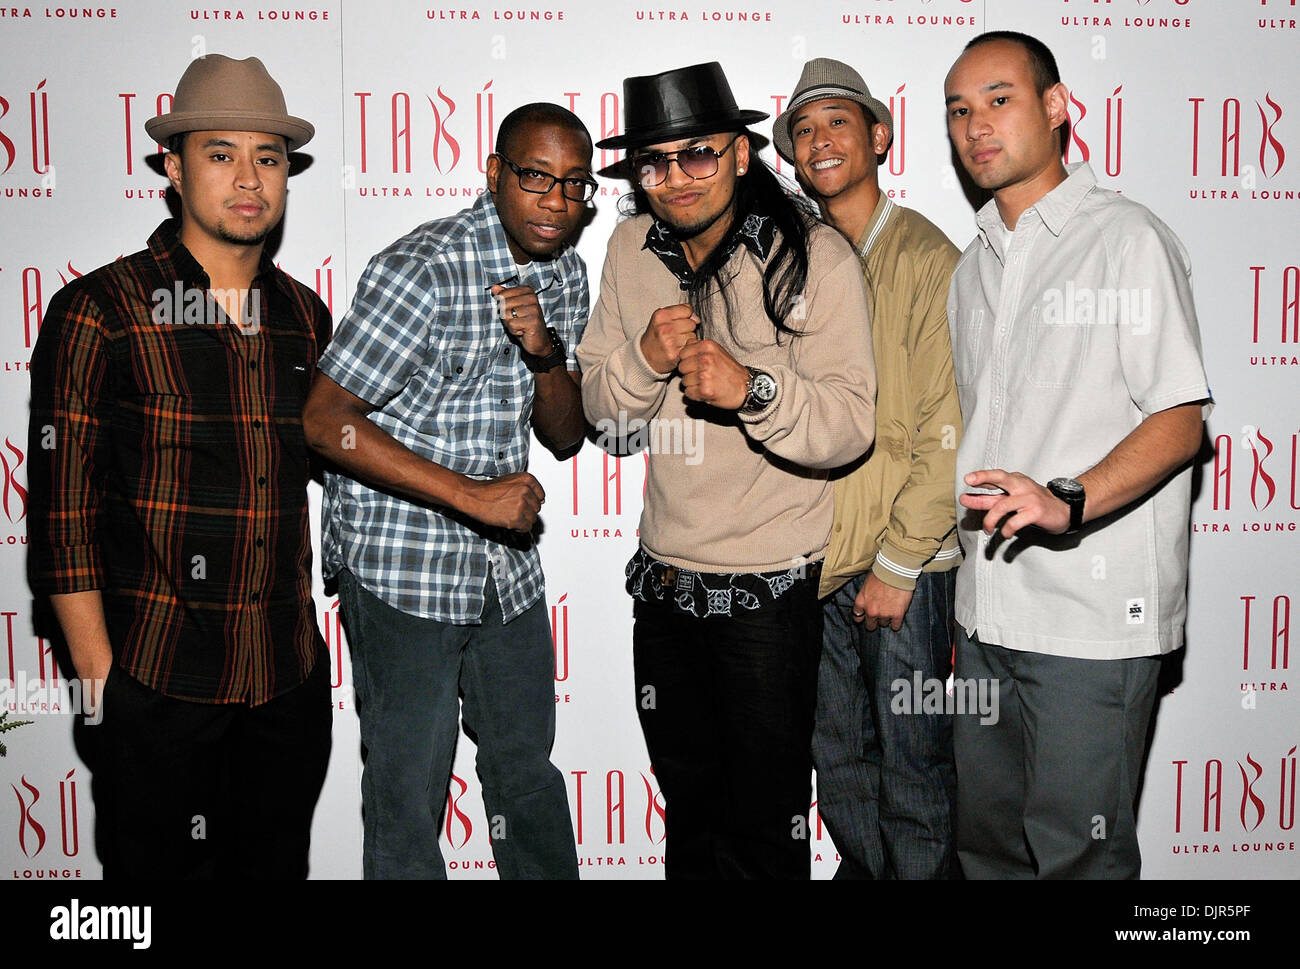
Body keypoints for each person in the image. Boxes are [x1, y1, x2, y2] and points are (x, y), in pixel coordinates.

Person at [28, 54, 332, 878]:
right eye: (220, 153)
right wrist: (106, 689)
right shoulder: (102, 310)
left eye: (268, 157)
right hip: (156, 689)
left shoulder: (303, 316)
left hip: (285, 686)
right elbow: (61, 523)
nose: (249, 178)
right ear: (173, 166)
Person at [577, 61, 877, 879]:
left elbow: (851, 422)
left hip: (766, 601)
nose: (676, 178)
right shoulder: (629, 249)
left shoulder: (814, 256)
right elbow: (601, 411)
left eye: (699, 154)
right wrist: (643, 359)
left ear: (741, 154)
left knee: (763, 830)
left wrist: (754, 390)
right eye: (655, 162)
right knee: (691, 819)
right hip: (663, 591)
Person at [301, 103, 593, 880]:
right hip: (404, 569)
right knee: (407, 796)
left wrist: (543, 351)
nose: (556, 201)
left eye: (574, 184)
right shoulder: (423, 268)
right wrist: (471, 496)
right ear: (495, 174)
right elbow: (325, 422)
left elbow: (566, 433)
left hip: (506, 573)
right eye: (536, 177)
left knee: (526, 776)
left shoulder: (565, 272)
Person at [943, 31, 1211, 878]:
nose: (977, 124)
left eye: (999, 99)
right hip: (985, 613)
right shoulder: (971, 269)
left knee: (1077, 861)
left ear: (1057, 107)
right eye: (959, 109)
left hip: (1090, 625)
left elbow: (1181, 419)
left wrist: (1070, 497)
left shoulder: (1127, 239)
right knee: (988, 854)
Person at [774, 57, 962, 879]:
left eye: (837, 122)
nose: (819, 140)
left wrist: (898, 563)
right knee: (839, 760)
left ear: (879, 137)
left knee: (913, 763)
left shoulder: (926, 257)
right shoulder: (793, 260)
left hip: (901, 566)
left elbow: (947, 428)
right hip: (815, 562)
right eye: (803, 129)